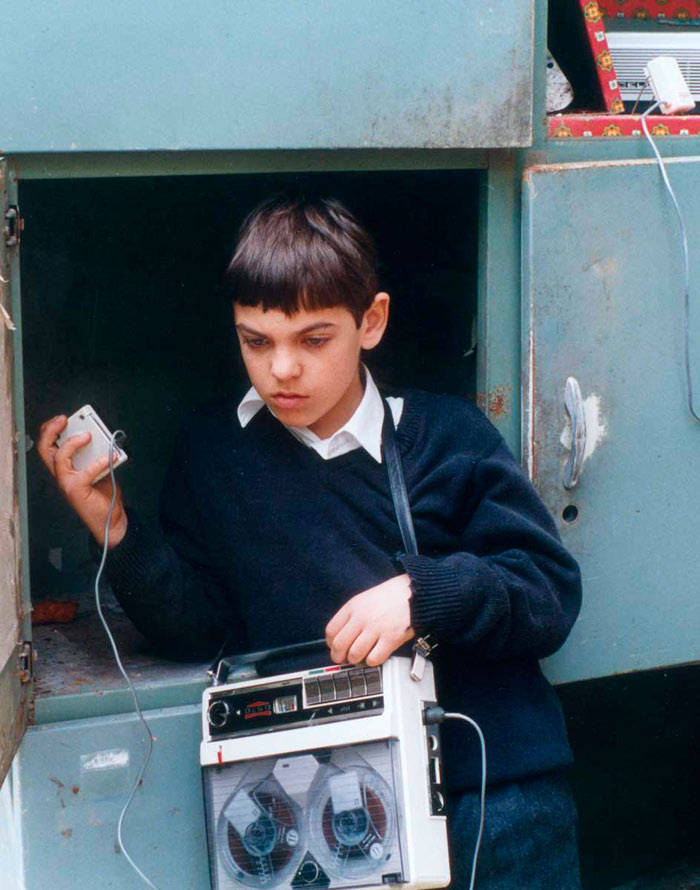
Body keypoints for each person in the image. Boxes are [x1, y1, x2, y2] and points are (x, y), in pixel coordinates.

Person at [37, 194, 583, 889]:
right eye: (256, 341)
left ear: (372, 321)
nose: (282, 370)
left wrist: (423, 594)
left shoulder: (448, 435)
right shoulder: (212, 452)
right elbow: (200, 626)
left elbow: (549, 592)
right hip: (335, 813)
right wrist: (114, 525)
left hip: (495, 797)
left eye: (313, 339)